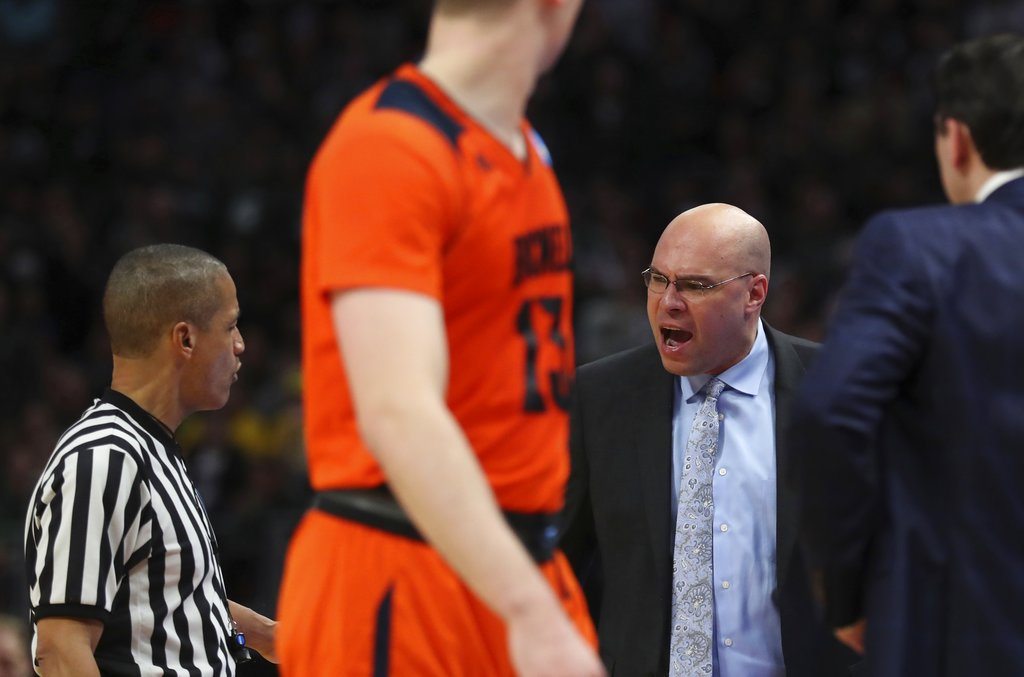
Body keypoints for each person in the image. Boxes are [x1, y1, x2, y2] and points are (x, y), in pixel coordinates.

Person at [275, 0, 603, 675]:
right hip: (400, 567)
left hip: (514, 562)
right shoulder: (389, 146)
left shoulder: (523, 149)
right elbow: (398, 412)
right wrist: (532, 613)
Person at [793, 33, 1024, 675]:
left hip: (962, 631)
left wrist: (845, 589)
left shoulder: (919, 248)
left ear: (958, 139)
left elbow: (829, 411)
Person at [561, 203, 856, 676]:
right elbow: (556, 563)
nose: (668, 302)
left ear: (754, 293)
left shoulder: (838, 389)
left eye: (695, 286)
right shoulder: (600, 397)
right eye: (658, 279)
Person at [23, 244, 276, 675]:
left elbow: (169, 600)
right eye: (230, 326)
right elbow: (61, 647)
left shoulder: (150, 449)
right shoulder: (103, 457)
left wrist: (269, 635)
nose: (240, 345)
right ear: (185, 339)